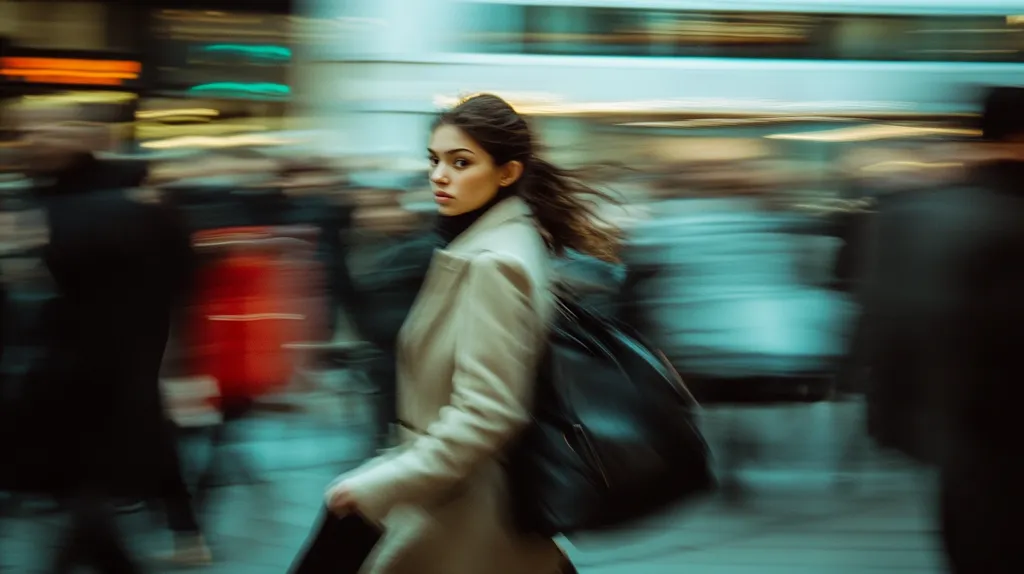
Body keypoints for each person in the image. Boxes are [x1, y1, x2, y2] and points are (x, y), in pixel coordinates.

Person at [323, 94, 619, 574]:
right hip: (456, 497)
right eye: (434, 160)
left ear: (507, 173)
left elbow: (486, 414)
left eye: (461, 162)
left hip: (465, 510)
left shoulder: (493, 263)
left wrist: (387, 482)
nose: (439, 175)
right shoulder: (494, 241)